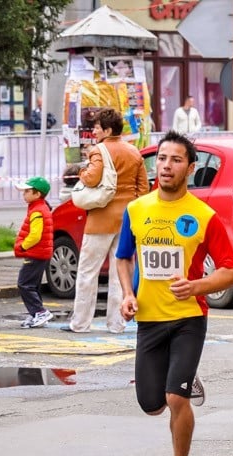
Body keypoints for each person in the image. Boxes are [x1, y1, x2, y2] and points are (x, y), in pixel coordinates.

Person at [115, 130, 233, 456]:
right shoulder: (137, 210)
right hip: (149, 318)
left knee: (175, 399)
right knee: (151, 405)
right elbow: (123, 258)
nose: (166, 166)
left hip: (188, 317)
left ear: (190, 167)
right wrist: (126, 294)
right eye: (163, 159)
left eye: (176, 160)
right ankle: (183, 379)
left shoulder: (203, 216)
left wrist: (197, 286)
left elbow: (231, 271)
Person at [69, 107, 150, 333]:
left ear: (107, 129)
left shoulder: (99, 151)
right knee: (120, 273)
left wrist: (81, 173)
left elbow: (93, 179)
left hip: (101, 220)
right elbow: (143, 189)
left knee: (88, 272)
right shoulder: (134, 152)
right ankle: (116, 323)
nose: (94, 132)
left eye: (96, 127)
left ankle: (80, 323)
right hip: (127, 220)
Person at [13, 176, 55, 328]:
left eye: (27, 191)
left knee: (24, 284)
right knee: (33, 285)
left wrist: (23, 246)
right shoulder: (39, 207)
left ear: (37, 194)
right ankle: (35, 314)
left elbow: (35, 235)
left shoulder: (37, 211)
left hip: (35, 253)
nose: (24, 194)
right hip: (40, 253)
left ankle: (40, 311)